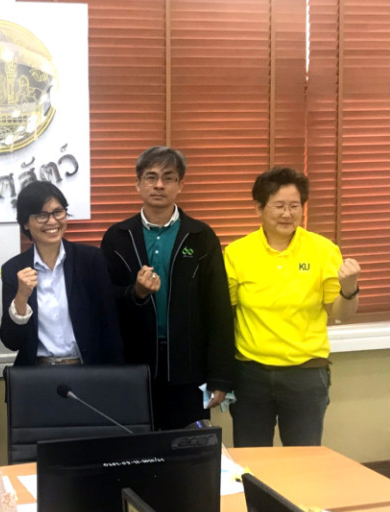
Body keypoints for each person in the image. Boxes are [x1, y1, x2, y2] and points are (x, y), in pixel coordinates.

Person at [224, 167, 361, 447]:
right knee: (252, 459)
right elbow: (225, 314)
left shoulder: (323, 250)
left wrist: (349, 289)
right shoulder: (237, 252)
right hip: (251, 374)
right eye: (278, 206)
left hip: (306, 374)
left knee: (303, 459)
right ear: (259, 208)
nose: (287, 214)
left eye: (294, 206)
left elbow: (339, 314)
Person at [101, 146, 235, 430]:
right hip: (134, 366)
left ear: (180, 185)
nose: (159, 185)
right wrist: (136, 293)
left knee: (186, 447)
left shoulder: (200, 236)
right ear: (138, 184)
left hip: (188, 368)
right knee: (137, 447)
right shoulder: (118, 237)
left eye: (168, 177)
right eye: (151, 177)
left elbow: (219, 309)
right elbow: (105, 302)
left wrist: (221, 377)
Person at [0, 180, 123, 366]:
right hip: (37, 373)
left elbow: (110, 325)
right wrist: (21, 298)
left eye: (58, 212)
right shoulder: (13, 269)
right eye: (41, 215)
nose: (52, 221)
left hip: (87, 370)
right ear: (25, 223)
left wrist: (114, 376)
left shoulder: (90, 260)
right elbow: (11, 342)